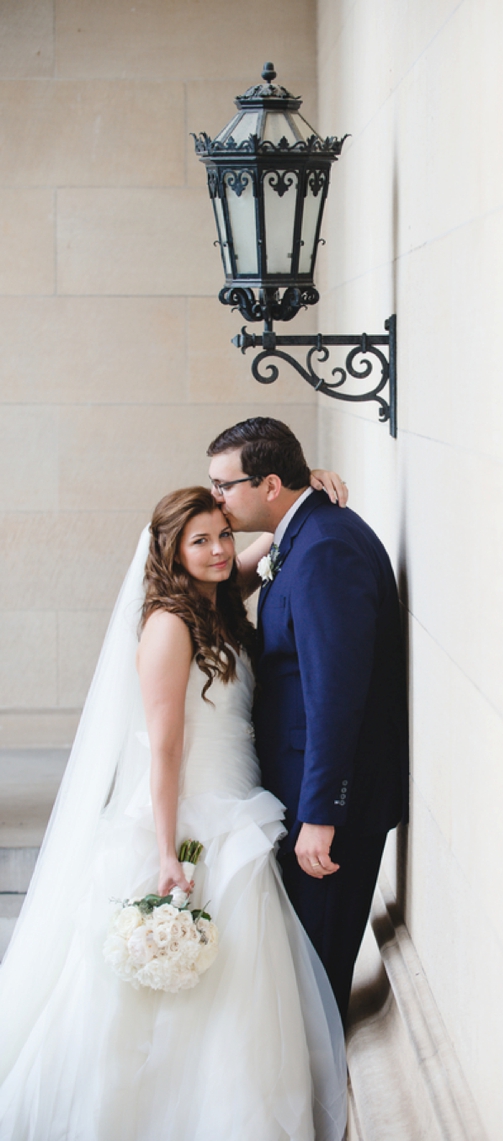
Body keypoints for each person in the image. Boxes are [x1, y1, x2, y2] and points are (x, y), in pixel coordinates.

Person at [0, 478, 349, 1141]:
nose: (221, 549)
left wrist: (306, 493)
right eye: (201, 540)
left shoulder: (213, 602)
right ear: (170, 549)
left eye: (223, 533)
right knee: (165, 996)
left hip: (235, 805)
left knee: (238, 993)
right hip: (191, 822)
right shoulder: (167, 625)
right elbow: (163, 750)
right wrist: (166, 853)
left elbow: (258, 551)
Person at [207, 417, 409, 1024]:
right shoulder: (304, 532)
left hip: (327, 814)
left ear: (269, 484)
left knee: (314, 987)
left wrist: (322, 815)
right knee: (294, 979)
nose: (216, 497)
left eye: (224, 485)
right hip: (298, 795)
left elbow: (337, 697)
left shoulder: (325, 550)